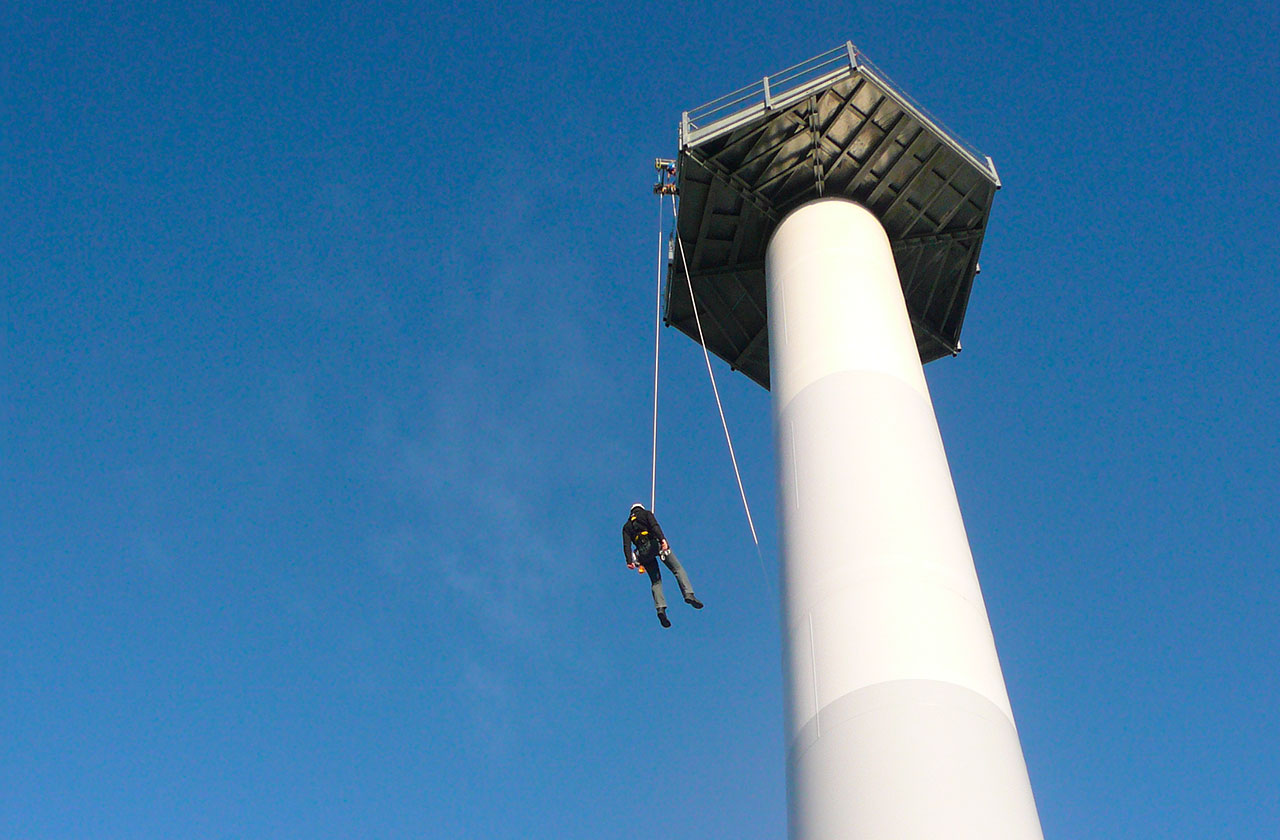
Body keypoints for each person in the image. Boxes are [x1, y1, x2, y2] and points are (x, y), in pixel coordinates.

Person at [622, 503, 703, 627]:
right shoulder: (647, 514)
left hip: (642, 554)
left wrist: (629, 561)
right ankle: (688, 594)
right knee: (677, 568)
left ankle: (660, 609)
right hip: (655, 545)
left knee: (656, 582)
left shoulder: (627, 527)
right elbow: (655, 526)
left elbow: (626, 545)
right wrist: (663, 539)